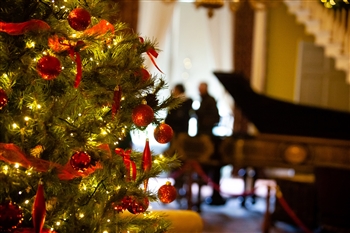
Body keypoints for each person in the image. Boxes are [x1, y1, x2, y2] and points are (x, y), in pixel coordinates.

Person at [196, 82, 226, 206]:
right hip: (203, 136)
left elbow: (215, 118)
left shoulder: (210, 100)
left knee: (212, 166)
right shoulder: (204, 100)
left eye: (201, 88)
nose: (199, 90)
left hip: (207, 138)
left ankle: (215, 195)